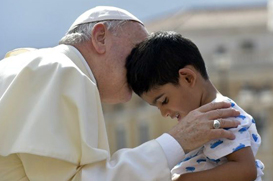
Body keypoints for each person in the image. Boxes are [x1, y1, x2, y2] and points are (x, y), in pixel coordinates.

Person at [0, 6, 240, 181]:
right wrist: (176, 142)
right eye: (137, 54)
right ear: (100, 37)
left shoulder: (41, 67)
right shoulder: (60, 69)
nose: (143, 69)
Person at [126, 31, 264, 181]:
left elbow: (246, 170)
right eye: (157, 107)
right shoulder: (210, 115)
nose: (164, 113)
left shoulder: (220, 113)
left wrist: (183, 179)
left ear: (188, 78)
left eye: (164, 101)